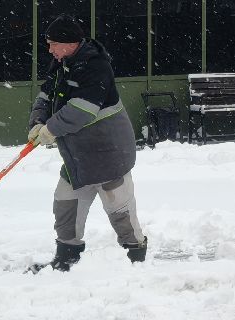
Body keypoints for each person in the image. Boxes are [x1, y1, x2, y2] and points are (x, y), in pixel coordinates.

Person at [27, 16, 146, 271]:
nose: (50, 50)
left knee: (119, 210)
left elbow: (82, 110)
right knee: (65, 203)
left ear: (70, 43)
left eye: (53, 44)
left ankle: (136, 258)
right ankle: (66, 258)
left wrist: (51, 129)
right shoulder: (62, 63)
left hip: (108, 154)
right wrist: (38, 121)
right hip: (78, 157)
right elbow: (46, 94)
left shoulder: (95, 67)